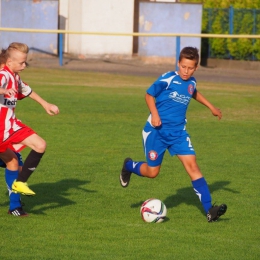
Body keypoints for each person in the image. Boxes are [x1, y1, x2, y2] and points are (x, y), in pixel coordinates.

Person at [119, 46, 227, 222]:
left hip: (178, 133)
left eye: (190, 68)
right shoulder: (168, 78)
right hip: (156, 132)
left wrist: (211, 107)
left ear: (196, 68)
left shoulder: (192, 82)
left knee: (193, 166)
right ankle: (129, 166)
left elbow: (193, 93)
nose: (186, 71)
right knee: (153, 172)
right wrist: (154, 114)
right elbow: (149, 94)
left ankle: (210, 210)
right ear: (178, 63)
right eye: (183, 66)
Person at [0, 42, 59, 199]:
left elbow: (28, 91)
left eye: (25, 61)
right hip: (1, 129)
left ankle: (20, 183)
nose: (24, 65)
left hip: (11, 126)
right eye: (21, 62)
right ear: (9, 62)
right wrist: (4, 90)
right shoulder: (4, 75)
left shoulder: (15, 77)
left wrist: (46, 104)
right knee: (12, 162)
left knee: (40, 145)